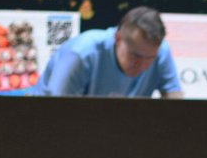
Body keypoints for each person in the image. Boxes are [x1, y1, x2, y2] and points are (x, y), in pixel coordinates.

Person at [30, 6, 183, 98]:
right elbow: (57, 114)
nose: (142, 66)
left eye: (150, 58)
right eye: (135, 56)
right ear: (118, 38)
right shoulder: (81, 54)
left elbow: (176, 104)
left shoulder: (161, 52)